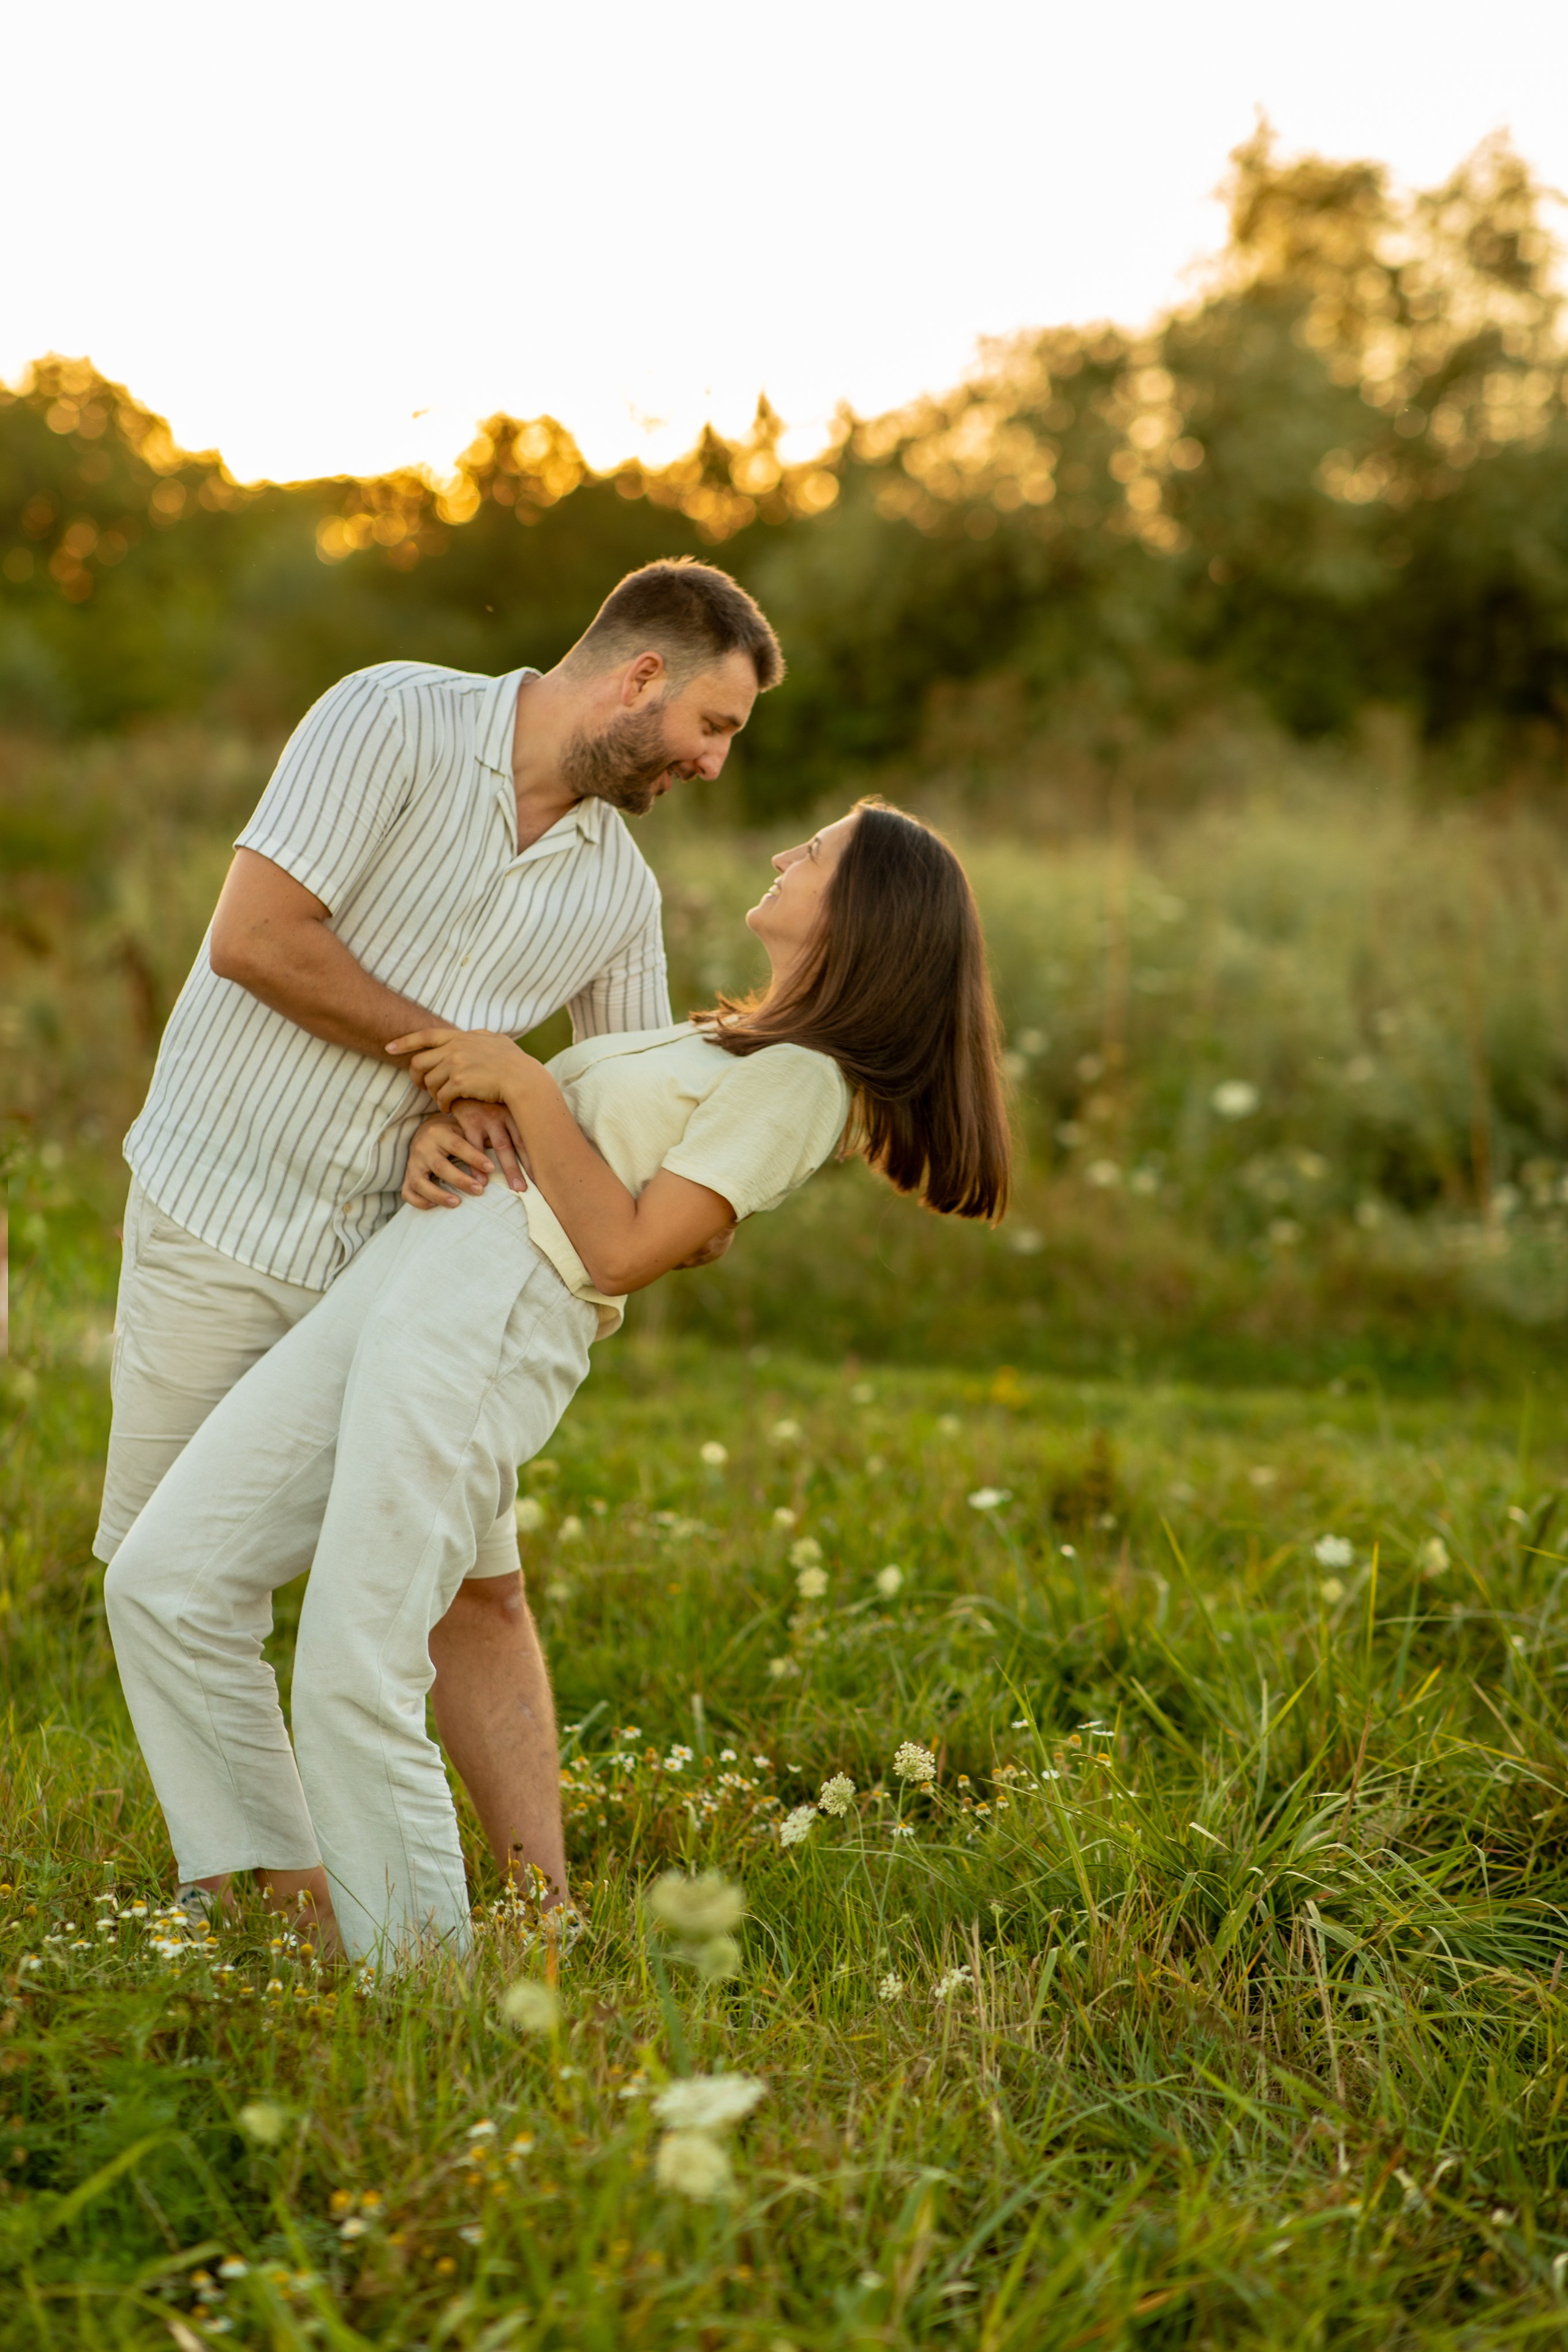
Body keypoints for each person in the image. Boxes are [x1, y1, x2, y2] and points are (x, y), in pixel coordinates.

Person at [103, 801, 1011, 1964]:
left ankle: (422, 1989)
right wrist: (454, 1127)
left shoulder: (808, 1081)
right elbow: (588, 1168)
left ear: (866, 912)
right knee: (166, 1578)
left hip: (494, 1313)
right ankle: (279, 1916)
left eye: (819, 852)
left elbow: (634, 1247)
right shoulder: (724, 1043)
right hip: (410, 1271)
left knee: (357, 1651)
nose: (788, 853)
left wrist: (526, 1089)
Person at [94, 557, 782, 1932]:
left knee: (475, 1589)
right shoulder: (390, 719)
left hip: (410, 1275)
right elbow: (259, 940)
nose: (711, 764)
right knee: (174, 1577)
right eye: (714, 726)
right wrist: (448, 1079)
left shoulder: (616, 899)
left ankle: (543, 1904)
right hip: (218, 1212)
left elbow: (609, 1124)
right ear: (639, 677)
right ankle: (281, 1907)